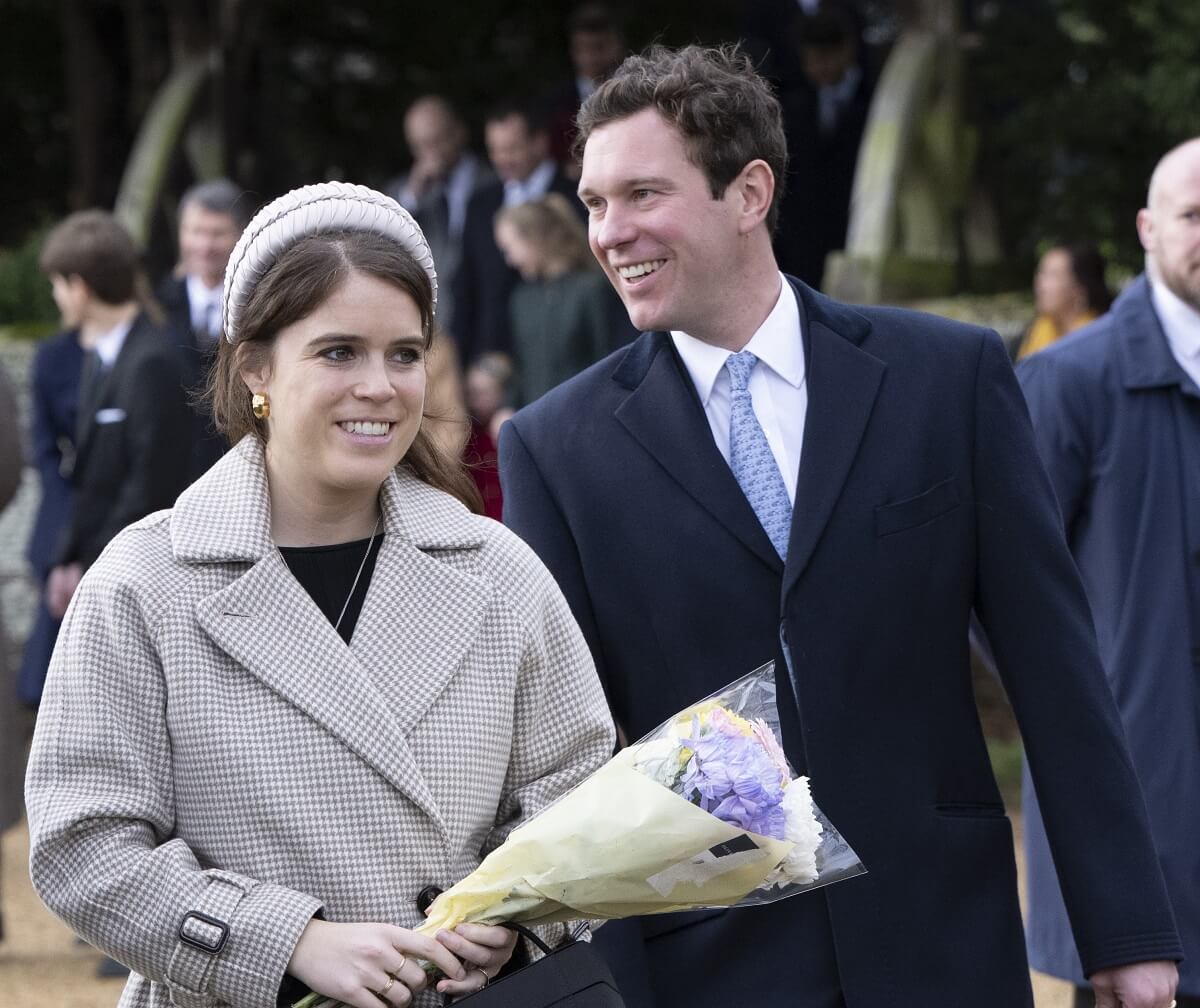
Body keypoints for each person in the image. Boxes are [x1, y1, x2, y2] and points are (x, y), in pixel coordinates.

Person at [498, 44, 1181, 1008]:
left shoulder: (949, 379)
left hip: (945, 940)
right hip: (712, 971)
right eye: (595, 202)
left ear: (749, 193)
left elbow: (1057, 672)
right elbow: (569, 757)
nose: (611, 233)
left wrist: (1125, 932)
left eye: (642, 194)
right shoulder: (552, 449)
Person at [24, 181, 615, 1008]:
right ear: (254, 366)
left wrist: (516, 918)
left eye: (404, 354)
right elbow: (82, 848)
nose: (381, 385)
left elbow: (576, 785)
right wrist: (286, 940)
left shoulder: (499, 569)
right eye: (339, 351)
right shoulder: (143, 583)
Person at [1018, 137, 1200, 1008]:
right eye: (1196, 216)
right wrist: (1093, 707)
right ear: (1146, 229)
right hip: (1136, 825)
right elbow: (1003, 597)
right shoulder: (1065, 384)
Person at [38, 209, 193, 623]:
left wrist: (94, 566)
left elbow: (151, 480)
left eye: (57, 284)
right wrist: (66, 558)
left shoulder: (152, 361)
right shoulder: (100, 356)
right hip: (98, 560)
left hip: (138, 571)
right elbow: (91, 475)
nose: (56, 296)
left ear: (80, 288)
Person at [456, 102, 582, 366]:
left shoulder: (577, 196)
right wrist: (465, 360)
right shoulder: (480, 204)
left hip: (560, 356)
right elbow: (467, 286)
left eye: (512, 148)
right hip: (490, 359)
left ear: (539, 142)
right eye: (496, 150)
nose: (503, 159)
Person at [774, 1, 879, 289]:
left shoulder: (875, 98)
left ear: (847, 50)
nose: (820, 68)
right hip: (804, 230)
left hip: (857, 219)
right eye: (811, 60)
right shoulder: (793, 104)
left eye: (826, 58)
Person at [494, 193, 632, 407]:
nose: (509, 260)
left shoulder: (593, 288)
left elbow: (609, 358)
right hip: (537, 422)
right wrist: (509, 407)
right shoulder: (522, 299)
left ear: (535, 238)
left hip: (587, 415)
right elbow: (523, 366)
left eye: (510, 248)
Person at [158, 179, 251, 479]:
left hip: (238, 464)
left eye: (217, 234)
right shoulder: (157, 304)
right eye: (195, 232)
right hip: (170, 469)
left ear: (239, 235)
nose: (204, 246)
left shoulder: (257, 305)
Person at [388, 95, 497, 337]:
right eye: (420, 146)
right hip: (434, 320)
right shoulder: (406, 192)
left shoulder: (492, 181)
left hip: (483, 316)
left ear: (459, 133)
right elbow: (386, 238)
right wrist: (414, 193)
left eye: (436, 142)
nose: (430, 153)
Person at [15, 323, 83, 708]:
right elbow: (43, 453)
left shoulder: (150, 351)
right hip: (60, 525)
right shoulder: (52, 356)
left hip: (112, 528)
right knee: (41, 688)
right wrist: (62, 548)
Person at [1015, 242, 1112, 359]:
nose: (1040, 284)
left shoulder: (1102, 339)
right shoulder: (1035, 334)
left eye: (1053, 275)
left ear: (1080, 287)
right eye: (1041, 273)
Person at [463, 351, 514, 521]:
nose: (476, 401)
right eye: (472, 393)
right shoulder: (467, 435)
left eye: (484, 393)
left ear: (499, 393)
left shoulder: (507, 429)